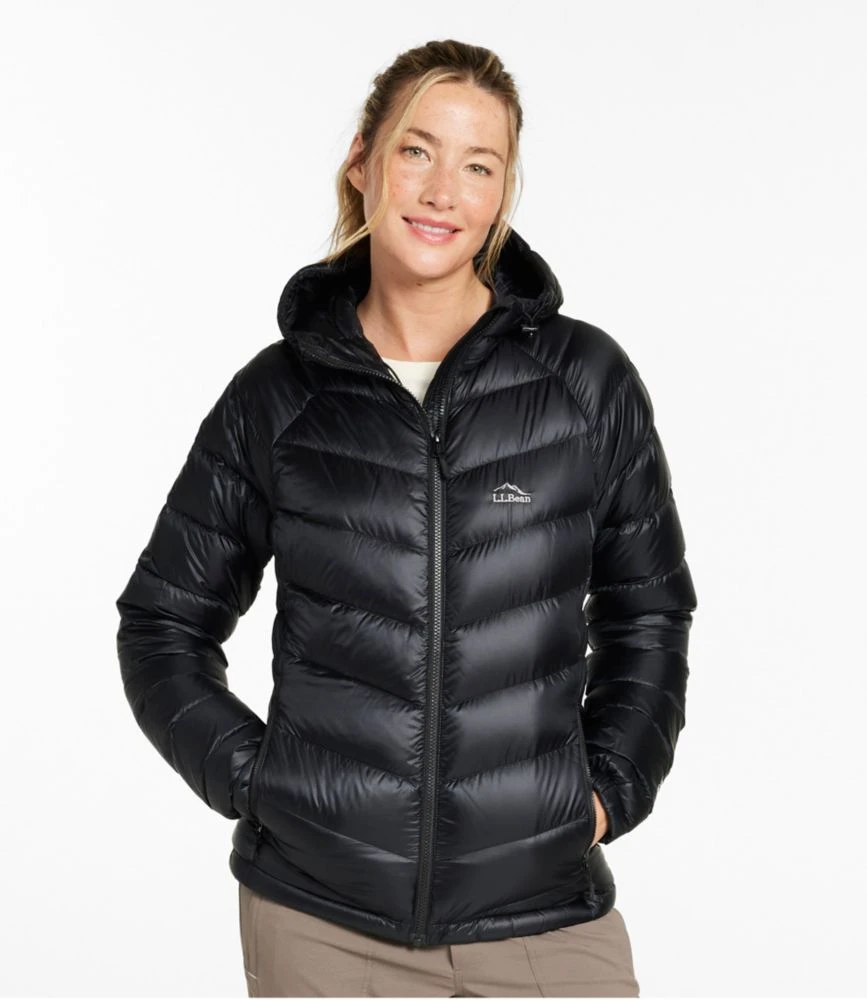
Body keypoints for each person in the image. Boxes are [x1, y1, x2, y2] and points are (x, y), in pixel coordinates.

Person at [115, 38, 697, 998]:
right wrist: (262, 785)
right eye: (417, 150)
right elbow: (161, 622)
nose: (441, 192)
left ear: (502, 194)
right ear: (363, 162)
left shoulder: (582, 383)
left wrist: (606, 790)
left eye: (479, 166)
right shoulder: (279, 398)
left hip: (542, 909)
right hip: (322, 922)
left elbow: (648, 611)